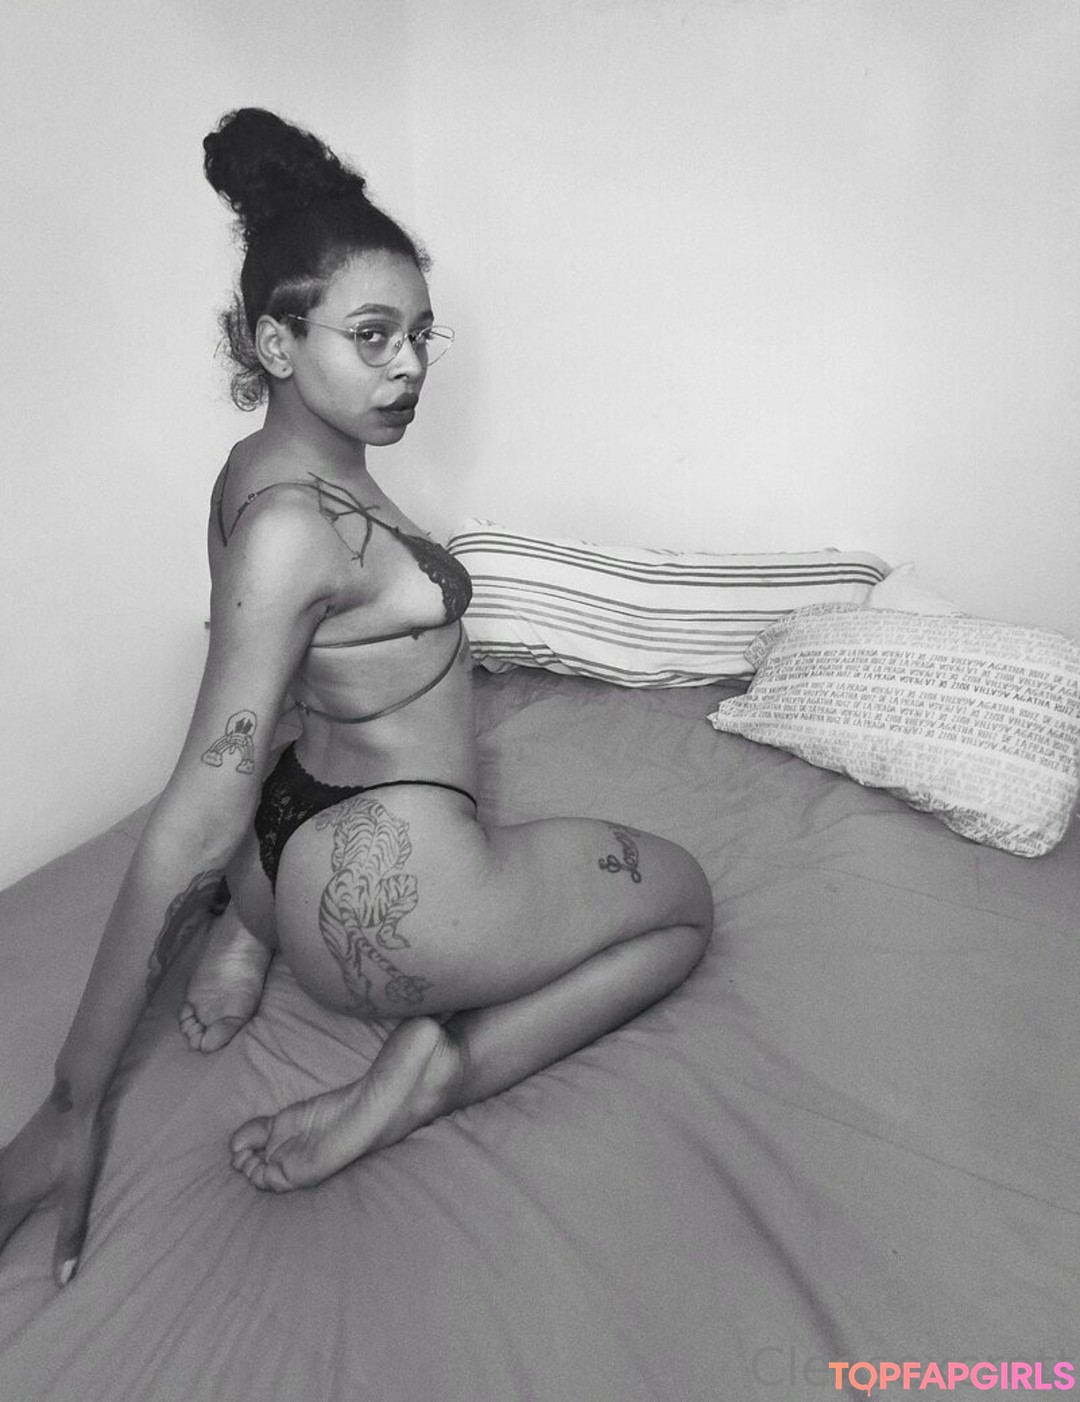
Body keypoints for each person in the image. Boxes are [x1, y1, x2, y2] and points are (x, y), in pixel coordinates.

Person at [0, 108, 713, 1287]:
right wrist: (70, 1102)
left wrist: (247, 900)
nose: (410, 367)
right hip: (382, 895)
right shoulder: (297, 527)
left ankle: (249, 935)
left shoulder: (257, 472)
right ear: (277, 345)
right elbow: (197, 807)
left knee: (283, 841)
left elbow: (288, 678)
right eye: (373, 336)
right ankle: (430, 1074)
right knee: (682, 903)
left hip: (287, 853)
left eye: (423, 337)